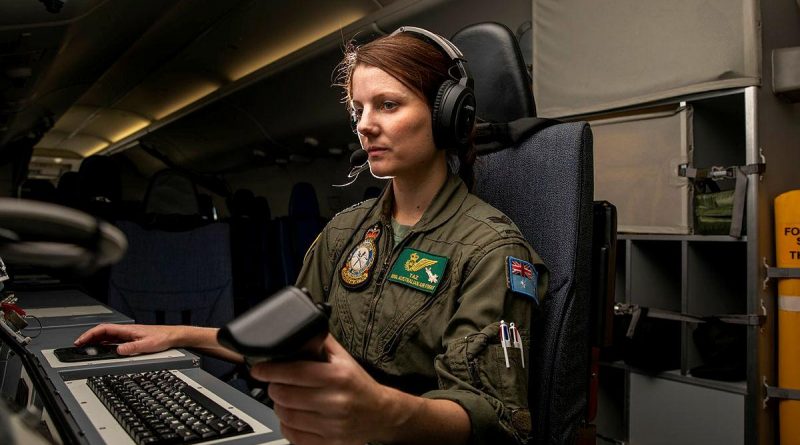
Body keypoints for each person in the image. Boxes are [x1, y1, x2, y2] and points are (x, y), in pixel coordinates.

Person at [74, 27, 547, 445]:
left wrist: (382, 411)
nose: (364, 125)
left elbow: (495, 419)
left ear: (448, 114)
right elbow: (286, 341)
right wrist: (175, 334)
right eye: (359, 108)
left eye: (388, 104)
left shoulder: (491, 251)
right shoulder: (345, 229)